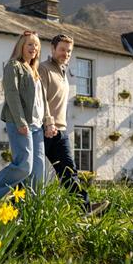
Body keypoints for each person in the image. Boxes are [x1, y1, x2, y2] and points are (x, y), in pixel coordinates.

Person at [39, 34, 109, 215]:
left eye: (69, 51)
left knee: (69, 171)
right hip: (44, 129)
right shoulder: (43, 68)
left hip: (60, 130)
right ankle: (10, 205)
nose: (66, 53)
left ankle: (84, 208)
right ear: (52, 49)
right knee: (31, 172)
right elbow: (42, 98)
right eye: (62, 49)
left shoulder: (63, 72)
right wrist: (48, 122)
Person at [0, 31, 56, 201]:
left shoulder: (35, 71)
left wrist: (49, 122)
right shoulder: (13, 66)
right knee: (24, 166)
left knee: (38, 172)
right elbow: (12, 94)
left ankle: (32, 207)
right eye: (30, 44)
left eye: (36, 45)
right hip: (20, 123)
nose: (34, 48)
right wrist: (21, 121)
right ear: (21, 46)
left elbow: (42, 100)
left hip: (37, 126)